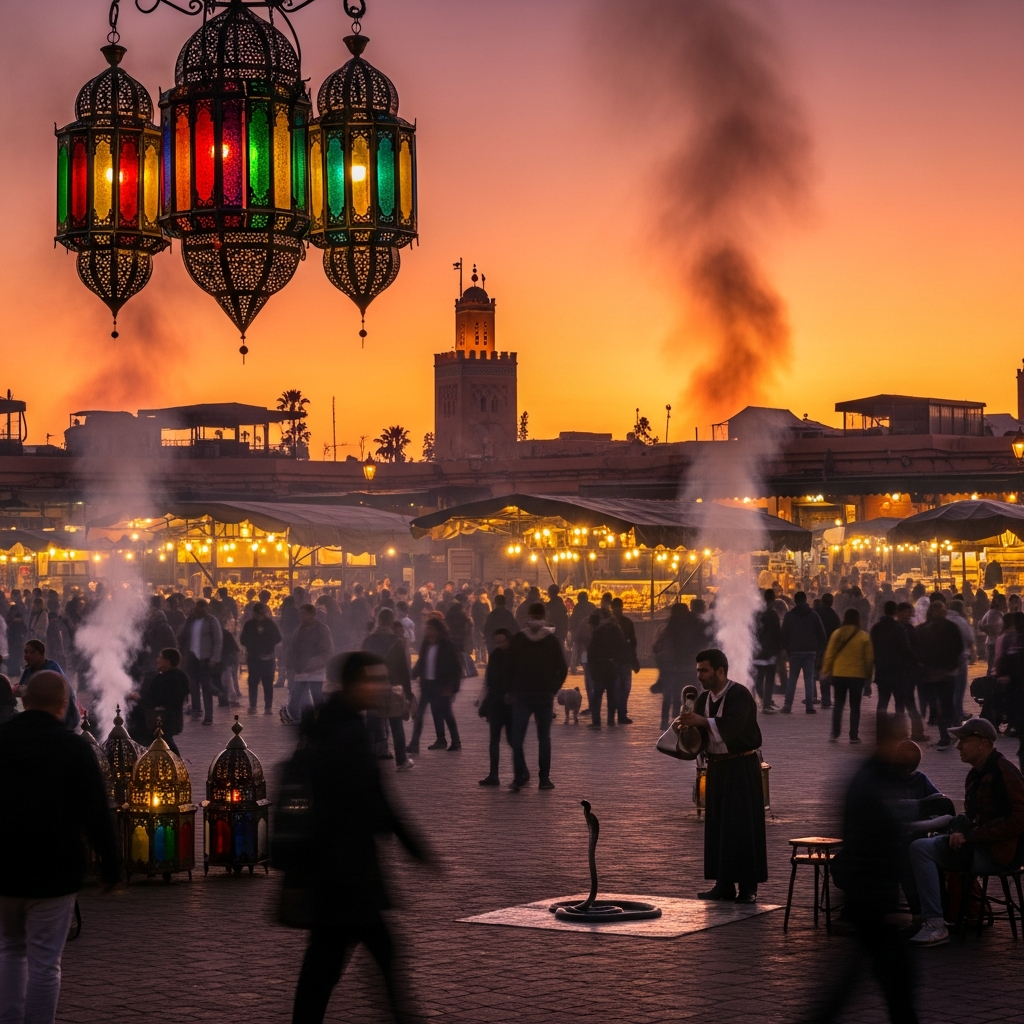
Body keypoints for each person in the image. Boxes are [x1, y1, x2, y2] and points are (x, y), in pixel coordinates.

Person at [283, 652, 431, 1024]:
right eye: (374, 680)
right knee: (336, 960)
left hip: (339, 867)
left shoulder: (335, 723)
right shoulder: (345, 733)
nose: (382, 687)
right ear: (353, 685)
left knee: (354, 956)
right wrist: (412, 844)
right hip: (343, 870)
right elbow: (370, 800)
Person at [0, 671, 120, 1024]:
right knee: (45, 963)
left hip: (4, 866)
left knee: (9, 950)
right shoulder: (73, 747)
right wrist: (111, 864)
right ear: (63, 704)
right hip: (54, 870)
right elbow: (96, 812)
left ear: (24, 699)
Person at [807, 715, 921, 1024]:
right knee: (890, 980)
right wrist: (886, 903)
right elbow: (871, 847)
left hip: (869, 898)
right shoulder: (872, 783)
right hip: (872, 900)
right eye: (900, 739)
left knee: (871, 980)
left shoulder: (877, 776)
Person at [907, 718, 1024, 946]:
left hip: (998, 853)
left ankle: (935, 923)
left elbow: (1019, 819)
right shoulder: (976, 773)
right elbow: (974, 815)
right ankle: (936, 918)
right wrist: (959, 829)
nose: (958, 746)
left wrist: (970, 835)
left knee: (921, 849)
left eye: (963, 741)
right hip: (980, 845)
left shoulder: (1005, 772)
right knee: (922, 845)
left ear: (983, 743)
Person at [674, 648, 766, 902]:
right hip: (717, 767)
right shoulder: (703, 699)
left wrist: (702, 722)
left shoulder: (739, 695)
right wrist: (688, 730)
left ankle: (748, 887)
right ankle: (723, 883)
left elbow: (734, 727)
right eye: (698, 671)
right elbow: (702, 737)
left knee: (742, 826)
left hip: (741, 767)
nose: (700, 676)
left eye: (705, 670)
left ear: (720, 671)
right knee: (719, 827)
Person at [508, 603, 567, 791]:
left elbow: (509, 666)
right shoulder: (549, 640)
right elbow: (562, 668)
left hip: (530, 696)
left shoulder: (522, 639)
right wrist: (553, 688)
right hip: (535, 695)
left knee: (522, 737)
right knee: (539, 738)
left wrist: (551, 689)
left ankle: (527, 777)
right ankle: (539, 778)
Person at [362, 608, 414, 772]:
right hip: (393, 687)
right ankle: (401, 760)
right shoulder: (397, 641)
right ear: (391, 621)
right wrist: (408, 691)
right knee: (396, 724)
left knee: (371, 725)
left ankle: (366, 759)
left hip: (372, 686)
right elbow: (404, 669)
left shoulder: (368, 640)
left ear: (377, 620)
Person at [913, 597, 964, 750]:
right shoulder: (950, 628)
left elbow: (918, 650)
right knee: (946, 704)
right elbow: (958, 648)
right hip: (943, 672)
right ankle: (951, 732)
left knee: (941, 704)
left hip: (934, 672)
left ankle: (946, 734)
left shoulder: (924, 629)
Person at [409, 617, 462, 753]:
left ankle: (455, 741)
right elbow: (422, 661)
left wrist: (453, 687)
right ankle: (415, 744)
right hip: (427, 685)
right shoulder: (426, 644)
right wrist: (413, 674)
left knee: (446, 713)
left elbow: (456, 667)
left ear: (439, 630)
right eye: (427, 629)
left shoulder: (447, 645)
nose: (429, 632)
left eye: (431, 629)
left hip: (442, 685)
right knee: (419, 714)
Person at [822, 608, 873, 744]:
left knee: (838, 704)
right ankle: (853, 735)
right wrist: (869, 675)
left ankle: (835, 733)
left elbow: (830, 653)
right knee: (855, 706)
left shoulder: (837, 634)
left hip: (839, 674)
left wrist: (826, 669)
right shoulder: (864, 636)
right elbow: (869, 658)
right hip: (858, 675)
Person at [127, 648, 190, 755]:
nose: (158, 660)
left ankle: (176, 763)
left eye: (160, 657)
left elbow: (160, 700)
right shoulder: (169, 677)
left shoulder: (172, 679)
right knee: (164, 742)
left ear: (168, 661)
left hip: (162, 719)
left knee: (165, 742)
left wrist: (139, 698)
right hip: (163, 719)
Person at [870, 601, 920, 732]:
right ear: (895, 612)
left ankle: (880, 729)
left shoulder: (876, 628)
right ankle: (900, 730)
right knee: (899, 703)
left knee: (882, 702)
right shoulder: (899, 628)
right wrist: (916, 662)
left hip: (882, 671)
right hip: (898, 672)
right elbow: (906, 649)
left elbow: (872, 649)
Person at [281, 605, 334, 725]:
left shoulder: (322, 629)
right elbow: (293, 648)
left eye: (304, 614)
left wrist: (317, 662)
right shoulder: (299, 628)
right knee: (296, 692)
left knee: (316, 693)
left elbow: (327, 650)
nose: (301, 617)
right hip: (301, 667)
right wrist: (290, 664)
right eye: (300, 614)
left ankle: (321, 716)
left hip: (315, 667)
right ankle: (292, 713)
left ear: (312, 614)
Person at [478, 628, 514, 786]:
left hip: (511, 705)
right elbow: (489, 681)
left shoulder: (516, 657)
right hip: (495, 703)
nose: (500, 645)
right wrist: (485, 700)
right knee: (494, 740)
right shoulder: (494, 656)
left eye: (503, 641)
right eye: (497, 642)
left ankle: (522, 771)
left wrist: (512, 693)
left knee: (513, 740)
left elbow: (520, 678)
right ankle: (493, 775)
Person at [780, 591, 826, 714]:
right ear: (805, 600)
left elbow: (784, 634)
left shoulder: (790, 615)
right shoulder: (813, 615)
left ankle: (787, 706)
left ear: (795, 601)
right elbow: (821, 634)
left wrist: (785, 648)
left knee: (792, 679)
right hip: (810, 651)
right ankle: (809, 706)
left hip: (794, 651)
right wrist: (819, 649)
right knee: (808, 678)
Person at [179, 598, 223, 726]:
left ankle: (208, 716)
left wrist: (215, 658)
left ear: (206, 609)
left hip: (206, 657)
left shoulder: (212, 621)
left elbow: (218, 641)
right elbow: (184, 636)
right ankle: (196, 709)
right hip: (192, 655)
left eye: (201, 610)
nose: (198, 612)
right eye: (196, 610)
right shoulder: (191, 621)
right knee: (193, 684)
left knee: (206, 686)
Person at [18, 640, 79, 732]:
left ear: (41, 653)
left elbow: (46, 692)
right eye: (26, 652)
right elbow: (22, 687)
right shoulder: (29, 670)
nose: (28, 655)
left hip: (59, 715)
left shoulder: (51, 669)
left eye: (32, 652)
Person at [653, 604, 694, 729]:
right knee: (683, 695)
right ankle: (677, 719)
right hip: (685, 667)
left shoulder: (666, 628)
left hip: (669, 668)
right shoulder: (689, 628)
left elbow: (656, 647)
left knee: (669, 695)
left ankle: (664, 721)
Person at [240, 602, 282, 716]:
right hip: (259, 657)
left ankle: (262, 707)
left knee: (261, 682)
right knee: (259, 682)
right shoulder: (261, 624)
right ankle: (259, 707)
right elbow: (243, 639)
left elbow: (277, 638)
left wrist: (256, 645)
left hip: (261, 657)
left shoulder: (257, 624)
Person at [586, 612, 624, 728]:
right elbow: (621, 647)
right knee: (611, 694)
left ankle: (596, 721)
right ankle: (611, 719)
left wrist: (591, 665)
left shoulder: (597, 633)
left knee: (597, 694)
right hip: (611, 665)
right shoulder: (615, 630)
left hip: (599, 666)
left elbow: (592, 651)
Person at [751, 589, 781, 714]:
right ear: (772, 600)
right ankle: (766, 704)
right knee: (769, 679)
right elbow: (777, 633)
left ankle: (761, 700)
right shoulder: (772, 614)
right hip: (769, 652)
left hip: (757, 651)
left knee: (758, 678)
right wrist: (777, 649)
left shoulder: (754, 614)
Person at [610, 597, 639, 724]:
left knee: (625, 687)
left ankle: (621, 713)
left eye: (619, 608)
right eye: (616, 608)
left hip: (624, 660)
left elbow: (633, 641)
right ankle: (617, 714)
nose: (618, 610)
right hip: (613, 660)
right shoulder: (609, 624)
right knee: (617, 687)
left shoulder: (627, 623)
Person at [947, 599, 975, 723]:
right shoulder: (961, 621)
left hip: (944, 660)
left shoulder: (943, 620)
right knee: (959, 689)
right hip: (960, 658)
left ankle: (950, 716)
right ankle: (957, 715)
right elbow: (970, 639)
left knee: (947, 690)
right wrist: (973, 653)